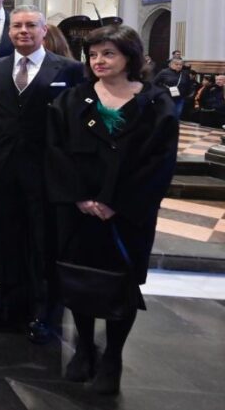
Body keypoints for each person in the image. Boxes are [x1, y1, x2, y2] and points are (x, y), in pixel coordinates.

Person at [47, 25, 178, 395]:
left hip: (126, 214)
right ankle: (85, 347)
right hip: (79, 210)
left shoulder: (154, 103)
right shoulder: (75, 99)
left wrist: (113, 203)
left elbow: (158, 162)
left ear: (129, 58)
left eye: (109, 54)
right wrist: (80, 197)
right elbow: (56, 151)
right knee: (80, 278)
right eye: (93, 55)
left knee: (121, 283)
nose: (99, 61)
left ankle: (114, 355)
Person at [0, 5, 84, 344]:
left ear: (44, 31)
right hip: (4, 170)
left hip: (47, 172)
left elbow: (79, 122)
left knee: (44, 244)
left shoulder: (69, 70)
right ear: (9, 32)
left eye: (31, 25)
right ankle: (10, 306)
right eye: (16, 26)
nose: (23, 31)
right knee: (8, 242)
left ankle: (44, 313)